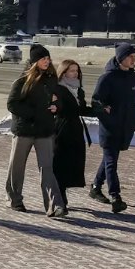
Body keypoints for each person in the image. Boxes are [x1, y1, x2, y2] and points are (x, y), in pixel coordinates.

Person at [5, 44, 66, 216]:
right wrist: (34, 114)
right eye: (43, 59)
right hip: (24, 130)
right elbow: (12, 104)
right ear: (34, 61)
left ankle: (55, 205)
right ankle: (14, 199)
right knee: (16, 167)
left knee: (47, 168)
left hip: (45, 131)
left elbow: (58, 101)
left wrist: (56, 106)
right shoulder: (22, 80)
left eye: (48, 58)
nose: (47, 62)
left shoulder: (52, 79)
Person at [89, 42, 135, 213]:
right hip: (109, 127)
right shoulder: (107, 78)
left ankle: (96, 187)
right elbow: (96, 102)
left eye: (134, 56)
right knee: (111, 162)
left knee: (109, 159)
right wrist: (106, 114)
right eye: (130, 56)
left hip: (125, 128)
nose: (133, 59)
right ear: (120, 58)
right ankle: (115, 197)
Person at [52, 58, 91, 212]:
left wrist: (99, 110)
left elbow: (81, 110)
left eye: (77, 71)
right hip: (61, 129)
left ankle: (63, 194)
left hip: (75, 129)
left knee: (72, 164)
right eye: (72, 70)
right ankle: (59, 198)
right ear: (64, 72)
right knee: (60, 163)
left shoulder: (78, 89)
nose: (75, 74)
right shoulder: (58, 88)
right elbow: (57, 107)